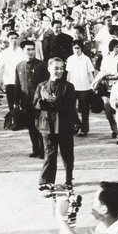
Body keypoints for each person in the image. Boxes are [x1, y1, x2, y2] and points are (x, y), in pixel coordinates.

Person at [34, 58, 78, 189]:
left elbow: (70, 106)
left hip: (64, 125)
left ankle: (68, 180)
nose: (59, 71)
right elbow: (35, 104)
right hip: (48, 126)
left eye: (61, 68)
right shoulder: (41, 86)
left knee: (67, 154)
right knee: (50, 154)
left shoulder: (68, 86)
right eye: (56, 68)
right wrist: (43, 100)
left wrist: (55, 101)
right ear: (49, 69)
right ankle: (46, 181)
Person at [13, 41, 47, 158]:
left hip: (39, 102)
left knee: (41, 127)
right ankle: (35, 149)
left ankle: (43, 150)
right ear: (23, 51)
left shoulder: (42, 65)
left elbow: (47, 84)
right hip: (26, 102)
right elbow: (17, 85)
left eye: (32, 49)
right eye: (28, 49)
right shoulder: (19, 66)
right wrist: (16, 102)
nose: (31, 52)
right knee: (31, 127)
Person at [65, 41, 96, 136]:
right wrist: (66, 85)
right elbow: (68, 74)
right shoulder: (70, 59)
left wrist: (93, 85)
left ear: (81, 48)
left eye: (78, 48)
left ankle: (84, 129)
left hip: (85, 88)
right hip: (72, 87)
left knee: (84, 110)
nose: (76, 50)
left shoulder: (86, 59)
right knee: (70, 108)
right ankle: (77, 124)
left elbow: (90, 73)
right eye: (74, 48)